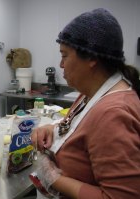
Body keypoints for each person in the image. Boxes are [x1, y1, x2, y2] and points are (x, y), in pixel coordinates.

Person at [30, 8, 140, 199]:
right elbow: (78, 127)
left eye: (65, 55)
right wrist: (52, 128)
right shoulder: (90, 94)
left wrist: (53, 178)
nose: (60, 64)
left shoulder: (112, 114)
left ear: (91, 58)